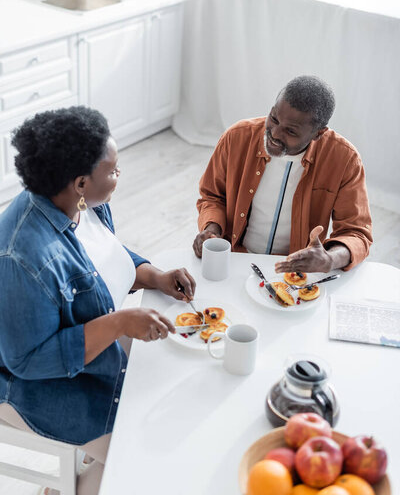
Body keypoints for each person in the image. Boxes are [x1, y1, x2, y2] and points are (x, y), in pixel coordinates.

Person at [0, 106, 196, 495]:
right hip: (37, 385)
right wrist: (119, 324)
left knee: (173, 392)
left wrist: (154, 275)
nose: (119, 175)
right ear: (80, 183)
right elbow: (25, 360)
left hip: (87, 348)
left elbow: (103, 256)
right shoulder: (21, 257)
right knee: (143, 454)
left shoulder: (83, 203)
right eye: (112, 170)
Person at [193, 75, 372, 273]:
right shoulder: (237, 137)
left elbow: (357, 233)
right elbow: (212, 196)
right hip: (234, 259)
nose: (275, 134)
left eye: (291, 131)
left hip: (294, 274)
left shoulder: (344, 159)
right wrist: (211, 229)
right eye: (274, 119)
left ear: (318, 133)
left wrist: (329, 259)